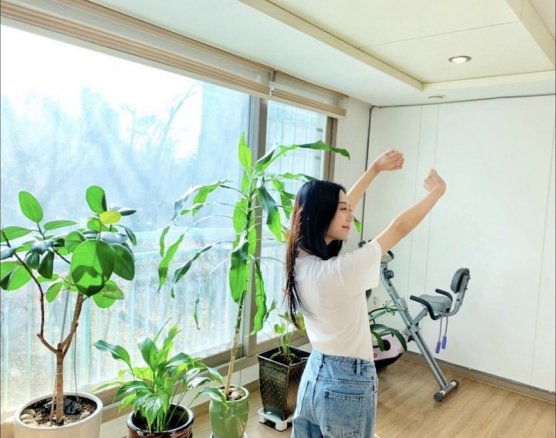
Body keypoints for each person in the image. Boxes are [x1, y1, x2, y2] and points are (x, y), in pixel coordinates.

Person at [284, 149, 446, 438]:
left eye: (349, 208)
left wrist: (374, 169)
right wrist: (437, 193)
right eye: (343, 209)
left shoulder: (298, 259)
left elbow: (336, 213)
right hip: (346, 381)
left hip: (314, 376)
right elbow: (398, 228)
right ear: (321, 215)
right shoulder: (338, 272)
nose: (350, 215)